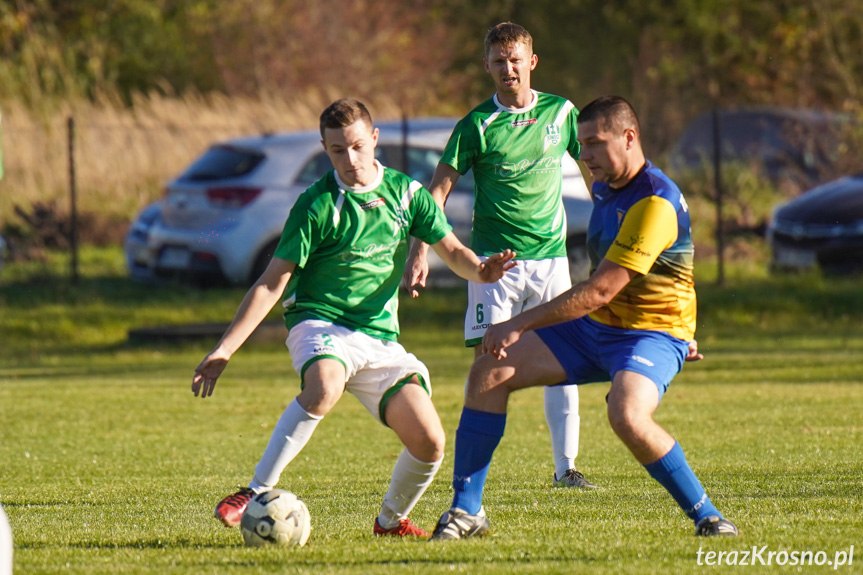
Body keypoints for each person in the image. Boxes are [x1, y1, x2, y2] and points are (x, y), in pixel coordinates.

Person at [192, 98, 516, 537]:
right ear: (325, 150)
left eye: (358, 146)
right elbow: (272, 282)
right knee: (324, 386)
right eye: (337, 150)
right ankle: (255, 490)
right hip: (319, 323)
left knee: (430, 442)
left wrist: (481, 269)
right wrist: (224, 349)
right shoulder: (316, 205)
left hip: (380, 338)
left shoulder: (407, 195)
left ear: (375, 139)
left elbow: (453, 250)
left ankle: (390, 522)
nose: (350, 159)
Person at [429, 95, 738, 540]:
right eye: (582, 143)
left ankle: (708, 516)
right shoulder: (605, 186)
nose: (584, 154)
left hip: (647, 335)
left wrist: (518, 322)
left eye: (594, 143)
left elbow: (600, 289)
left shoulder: (654, 202)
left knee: (627, 415)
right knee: (488, 373)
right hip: (598, 329)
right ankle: (466, 511)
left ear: (629, 138)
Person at [405, 22, 595, 489]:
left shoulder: (561, 112)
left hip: (551, 260)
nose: (507, 68)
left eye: (515, 59)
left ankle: (566, 469)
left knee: (563, 363)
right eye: (497, 61)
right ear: (486, 66)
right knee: (488, 367)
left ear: (532, 61)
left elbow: (595, 169)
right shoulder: (476, 125)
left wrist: (611, 221)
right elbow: (437, 191)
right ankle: (472, 479)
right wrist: (419, 253)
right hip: (494, 268)